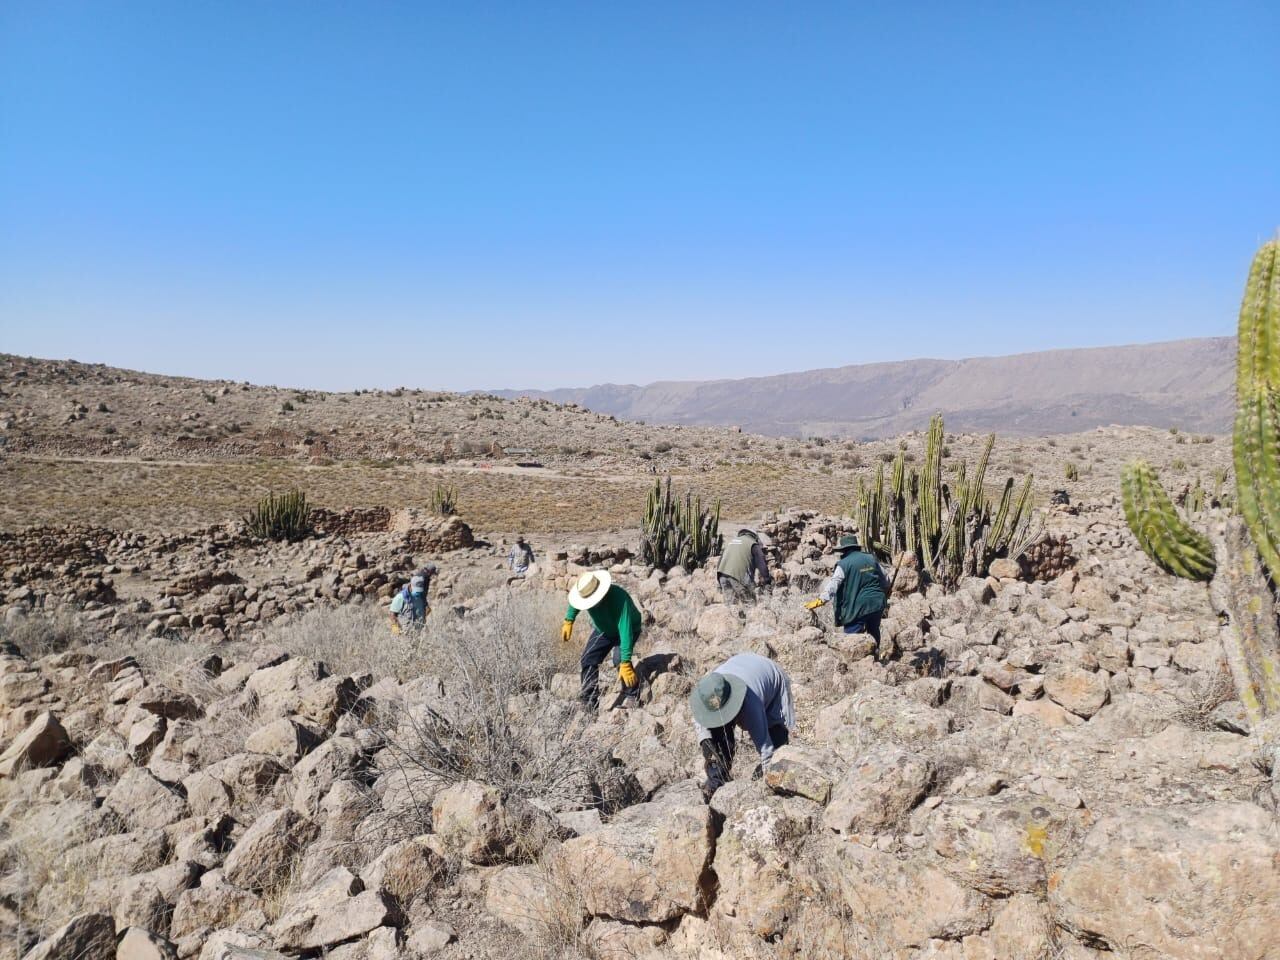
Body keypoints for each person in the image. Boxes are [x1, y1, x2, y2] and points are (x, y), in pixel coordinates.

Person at [689, 652, 795, 800]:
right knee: (715, 738)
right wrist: (707, 743)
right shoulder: (707, 694)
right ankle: (717, 783)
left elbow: (766, 749)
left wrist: (768, 790)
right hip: (741, 665)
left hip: (770, 676)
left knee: (776, 740)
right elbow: (701, 724)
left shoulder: (751, 704)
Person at [560, 570, 641, 711]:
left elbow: (625, 631)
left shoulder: (619, 599)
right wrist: (569, 620)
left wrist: (626, 661)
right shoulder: (585, 592)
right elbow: (575, 604)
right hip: (604, 629)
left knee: (619, 659)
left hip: (628, 629)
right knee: (588, 658)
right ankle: (589, 701)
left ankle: (632, 696)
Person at [805, 533, 887, 642]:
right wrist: (883, 593)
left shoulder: (843, 564)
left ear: (843, 550)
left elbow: (833, 585)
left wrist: (821, 600)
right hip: (877, 603)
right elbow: (885, 578)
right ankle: (876, 651)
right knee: (873, 631)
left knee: (851, 638)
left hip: (857, 608)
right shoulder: (871, 558)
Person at [716, 528, 772, 603]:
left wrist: (719, 583)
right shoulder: (753, 544)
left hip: (722, 577)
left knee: (731, 605)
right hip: (739, 578)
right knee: (750, 604)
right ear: (754, 536)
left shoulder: (731, 542)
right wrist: (767, 580)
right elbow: (762, 563)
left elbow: (720, 562)